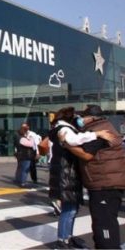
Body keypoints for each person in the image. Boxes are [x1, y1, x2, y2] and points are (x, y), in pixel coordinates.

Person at [48, 106, 114, 249]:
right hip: (67, 175)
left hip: (69, 173)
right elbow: (73, 141)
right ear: (70, 118)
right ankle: (62, 240)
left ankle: (68, 237)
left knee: (72, 209)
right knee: (69, 209)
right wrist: (96, 134)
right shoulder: (64, 129)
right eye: (77, 116)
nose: (80, 119)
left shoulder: (63, 128)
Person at [66, 105, 125, 249]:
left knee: (104, 224)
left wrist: (67, 145)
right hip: (108, 182)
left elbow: (86, 154)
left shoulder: (99, 131)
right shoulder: (105, 127)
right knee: (106, 221)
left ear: (91, 118)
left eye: (83, 117)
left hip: (104, 184)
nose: (81, 120)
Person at [14, 123, 36, 187]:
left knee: (20, 168)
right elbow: (31, 144)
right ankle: (23, 182)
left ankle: (18, 180)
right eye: (26, 131)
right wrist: (31, 138)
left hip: (21, 155)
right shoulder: (22, 138)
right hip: (25, 156)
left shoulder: (18, 137)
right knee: (24, 169)